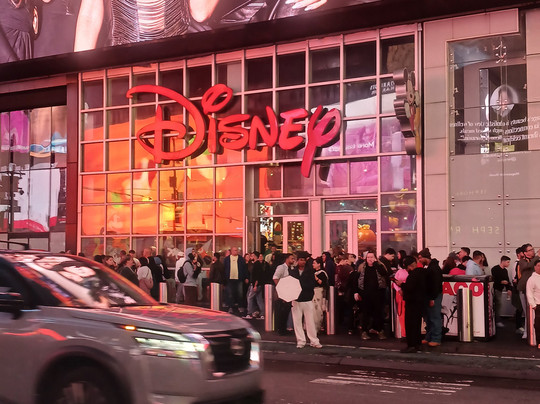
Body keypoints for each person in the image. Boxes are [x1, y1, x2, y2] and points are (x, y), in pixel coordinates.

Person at [289, 252, 322, 349]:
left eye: (303, 260)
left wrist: (299, 286)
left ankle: (314, 340)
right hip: (296, 299)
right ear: (297, 261)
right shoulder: (293, 272)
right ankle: (301, 341)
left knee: (310, 322)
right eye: (301, 260)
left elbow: (312, 285)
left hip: (307, 299)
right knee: (297, 322)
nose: (302, 262)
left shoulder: (310, 271)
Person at [353, 251, 388, 340]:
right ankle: (364, 331)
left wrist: (376, 264)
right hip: (365, 294)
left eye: (372, 257)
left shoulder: (380, 266)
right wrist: (356, 292)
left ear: (375, 258)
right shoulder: (362, 267)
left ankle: (380, 330)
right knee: (365, 313)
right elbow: (356, 280)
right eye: (368, 257)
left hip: (378, 293)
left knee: (378, 313)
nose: (370, 259)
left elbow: (384, 274)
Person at [394, 255, 426, 353]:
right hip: (420, 302)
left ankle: (411, 345)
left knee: (410, 324)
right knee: (417, 324)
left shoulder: (413, 275)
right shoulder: (423, 273)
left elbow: (410, 288)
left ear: (409, 266)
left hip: (412, 302)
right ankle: (418, 344)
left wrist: (401, 285)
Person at [419, 248, 443, 347]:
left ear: (425, 257)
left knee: (434, 317)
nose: (419, 260)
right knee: (430, 318)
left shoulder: (433, 269)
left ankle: (436, 338)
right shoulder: (433, 267)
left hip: (433, 296)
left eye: (420, 258)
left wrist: (432, 298)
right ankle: (430, 337)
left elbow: (435, 285)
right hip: (432, 296)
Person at [273, 253, 295, 335]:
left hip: (289, 291)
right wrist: (281, 289)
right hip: (282, 292)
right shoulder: (281, 267)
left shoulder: (292, 268)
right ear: (287, 259)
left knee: (287, 310)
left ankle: (284, 328)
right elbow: (275, 278)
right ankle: (280, 329)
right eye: (291, 258)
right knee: (281, 311)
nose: (293, 260)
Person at [517, 243, 536, 339]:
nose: (533, 251)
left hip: (535, 290)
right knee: (527, 311)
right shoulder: (522, 261)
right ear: (525, 253)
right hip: (524, 289)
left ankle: (533, 331)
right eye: (530, 250)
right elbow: (527, 266)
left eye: (533, 249)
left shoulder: (535, 260)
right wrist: (537, 257)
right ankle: (527, 331)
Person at [224, 246, 249, 314]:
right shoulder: (227, 259)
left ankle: (240, 306)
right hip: (230, 279)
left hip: (239, 278)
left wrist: (246, 277)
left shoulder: (241, 259)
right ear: (231, 251)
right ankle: (230, 307)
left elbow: (245, 269)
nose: (236, 251)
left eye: (236, 250)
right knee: (230, 294)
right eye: (234, 250)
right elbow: (224, 269)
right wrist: (224, 279)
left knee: (240, 293)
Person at [491, 255, 512, 327]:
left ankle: (497, 320)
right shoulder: (495, 269)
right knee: (497, 305)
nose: (509, 264)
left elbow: (507, 280)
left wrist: (508, 289)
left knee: (499, 305)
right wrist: (501, 282)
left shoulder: (505, 271)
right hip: (496, 289)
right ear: (503, 261)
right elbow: (494, 279)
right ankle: (496, 320)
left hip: (500, 289)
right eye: (508, 262)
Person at [245, 251, 265, 319]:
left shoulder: (256, 264)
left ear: (255, 256)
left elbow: (257, 276)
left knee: (250, 298)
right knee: (259, 299)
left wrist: (255, 285)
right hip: (258, 284)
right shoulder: (258, 264)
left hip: (255, 284)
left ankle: (249, 313)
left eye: (252, 256)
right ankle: (262, 314)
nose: (251, 257)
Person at [526, 259, 540, 349]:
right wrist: (533, 305)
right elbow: (529, 293)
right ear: (535, 267)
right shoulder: (532, 279)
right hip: (538, 305)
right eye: (538, 266)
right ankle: (539, 342)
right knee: (538, 325)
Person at [312, 256, 328, 332]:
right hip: (313, 292)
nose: (313, 265)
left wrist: (316, 278)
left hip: (319, 291)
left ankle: (318, 326)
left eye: (314, 263)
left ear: (319, 264)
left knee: (318, 309)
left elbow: (323, 283)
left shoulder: (322, 273)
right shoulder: (313, 272)